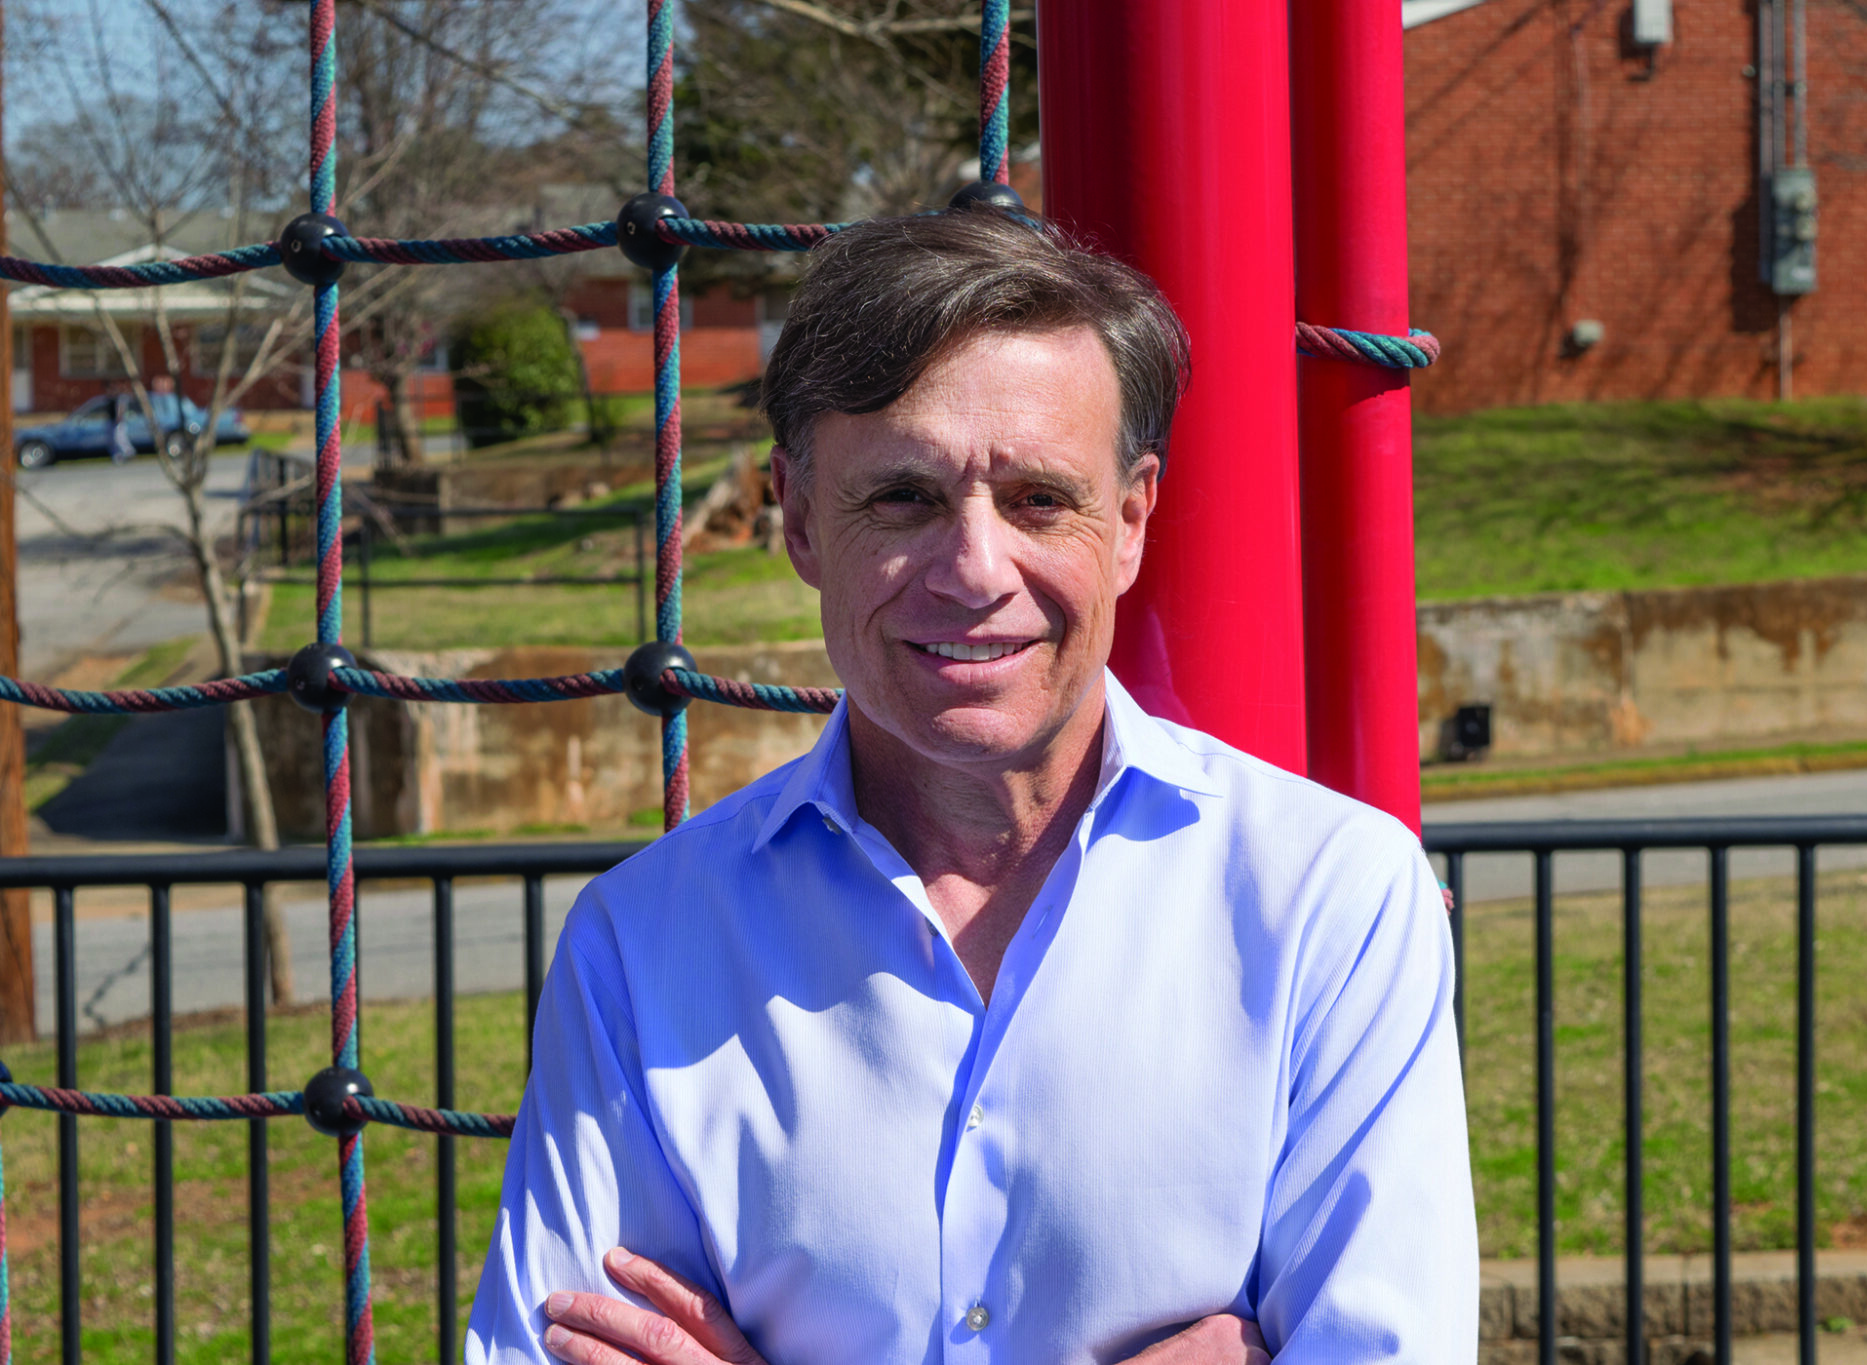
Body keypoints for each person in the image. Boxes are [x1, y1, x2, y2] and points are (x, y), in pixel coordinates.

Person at [465, 206, 1477, 1365]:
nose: (974, 569)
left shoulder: (1331, 901)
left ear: (1132, 518)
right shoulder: (640, 948)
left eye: (1040, 499)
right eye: (902, 498)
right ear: (797, 519)